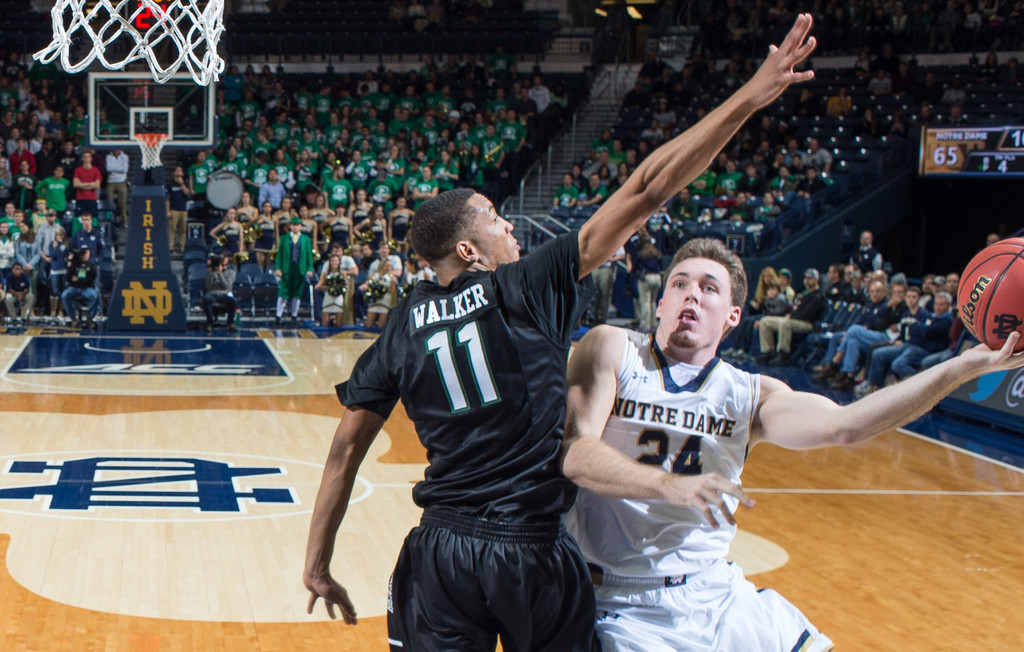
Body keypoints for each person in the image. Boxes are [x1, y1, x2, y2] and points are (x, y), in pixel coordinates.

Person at [303, 14, 819, 651]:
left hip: (440, 553)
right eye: (495, 219)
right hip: (532, 549)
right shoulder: (522, 285)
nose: (511, 228)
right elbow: (648, 187)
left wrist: (316, 564)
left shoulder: (401, 327)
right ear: (468, 250)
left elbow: (342, 453)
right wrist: (749, 96)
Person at [561, 237, 1024, 652]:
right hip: (620, 599)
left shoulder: (749, 394)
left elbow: (846, 425)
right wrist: (670, 485)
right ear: (660, 304)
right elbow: (576, 453)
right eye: (680, 284)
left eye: (709, 288)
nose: (692, 294)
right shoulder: (613, 349)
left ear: (733, 317)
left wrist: (960, 368)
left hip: (714, 592)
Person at [274, 215, 314, 323]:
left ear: (301, 226)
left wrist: (310, 268)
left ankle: (294, 315)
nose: (295, 227)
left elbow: (309, 255)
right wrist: (278, 268)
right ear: (290, 226)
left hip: (299, 268)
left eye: (297, 225)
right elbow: (279, 255)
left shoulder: (306, 240)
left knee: (297, 293)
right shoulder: (284, 238)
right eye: (293, 225)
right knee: (283, 292)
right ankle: (278, 315)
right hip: (287, 267)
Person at [61, 247, 99, 328]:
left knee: (94, 295)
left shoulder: (91, 266)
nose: (84, 255)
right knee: (65, 295)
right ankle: (73, 318)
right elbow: (68, 278)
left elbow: (91, 278)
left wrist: (79, 280)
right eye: (82, 254)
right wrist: (71, 262)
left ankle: (90, 318)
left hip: (86, 288)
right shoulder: (74, 265)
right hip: (74, 288)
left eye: (86, 253)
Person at [202, 252, 239, 332]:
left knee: (233, 301)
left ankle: (230, 323)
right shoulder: (210, 272)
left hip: (224, 294)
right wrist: (211, 272)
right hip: (212, 293)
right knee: (206, 299)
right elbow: (208, 286)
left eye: (225, 258)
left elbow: (227, 286)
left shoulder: (231, 272)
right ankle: (209, 323)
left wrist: (220, 274)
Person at [166, 166, 191, 254]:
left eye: (180, 171)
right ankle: (171, 247)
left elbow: (188, 194)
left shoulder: (185, 184)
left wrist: (181, 184)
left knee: (182, 230)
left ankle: (182, 247)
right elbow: (167, 199)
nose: (178, 172)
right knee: (172, 229)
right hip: (174, 209)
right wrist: (168, 210)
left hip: (183, 210)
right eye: (177, 171)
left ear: (183, 174)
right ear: (174, 173)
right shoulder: (170, 185)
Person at [72, 151, 102, 218]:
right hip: (80, 198)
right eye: (84, 157)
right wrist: (91, 184)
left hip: (92, 199)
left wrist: (81, 184)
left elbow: (97, 185)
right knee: (79, 219)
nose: (86, 158)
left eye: (88, 157)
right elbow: (75, 185)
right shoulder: (78, 170)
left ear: (91, 158)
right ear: (82, 158)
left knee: (93, 219)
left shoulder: (96, 170)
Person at [105, 148, 130, 225]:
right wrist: (119, 169)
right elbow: (108, 168)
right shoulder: (108, 156)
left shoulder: (125, 156)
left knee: (122, 203)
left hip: (121, 182)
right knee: (109, 202)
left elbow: (125, 170)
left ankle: (123, 221)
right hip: (111, 182)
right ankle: (109, 220)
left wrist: (113, 170)